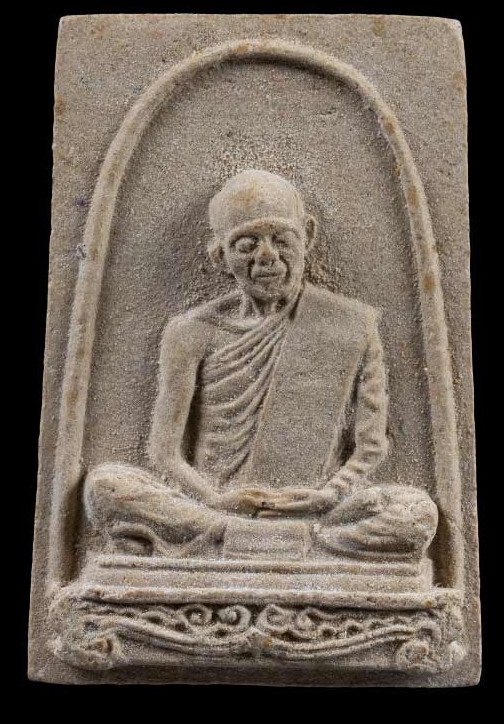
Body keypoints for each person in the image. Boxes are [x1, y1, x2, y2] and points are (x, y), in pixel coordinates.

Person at [85, 170, 437, 561]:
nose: (267, 256)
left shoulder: (352, 324)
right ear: (220, 255)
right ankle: (284, 543)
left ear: (308, 236)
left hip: (315, 509)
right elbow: (164, 453)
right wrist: (215, 499)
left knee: (415, 514)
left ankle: (245, 542)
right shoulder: (190, 331)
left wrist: (328, 495)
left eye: (282, 240)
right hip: (216, 507)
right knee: (106, 487)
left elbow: (370, 446)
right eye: (247, 245)